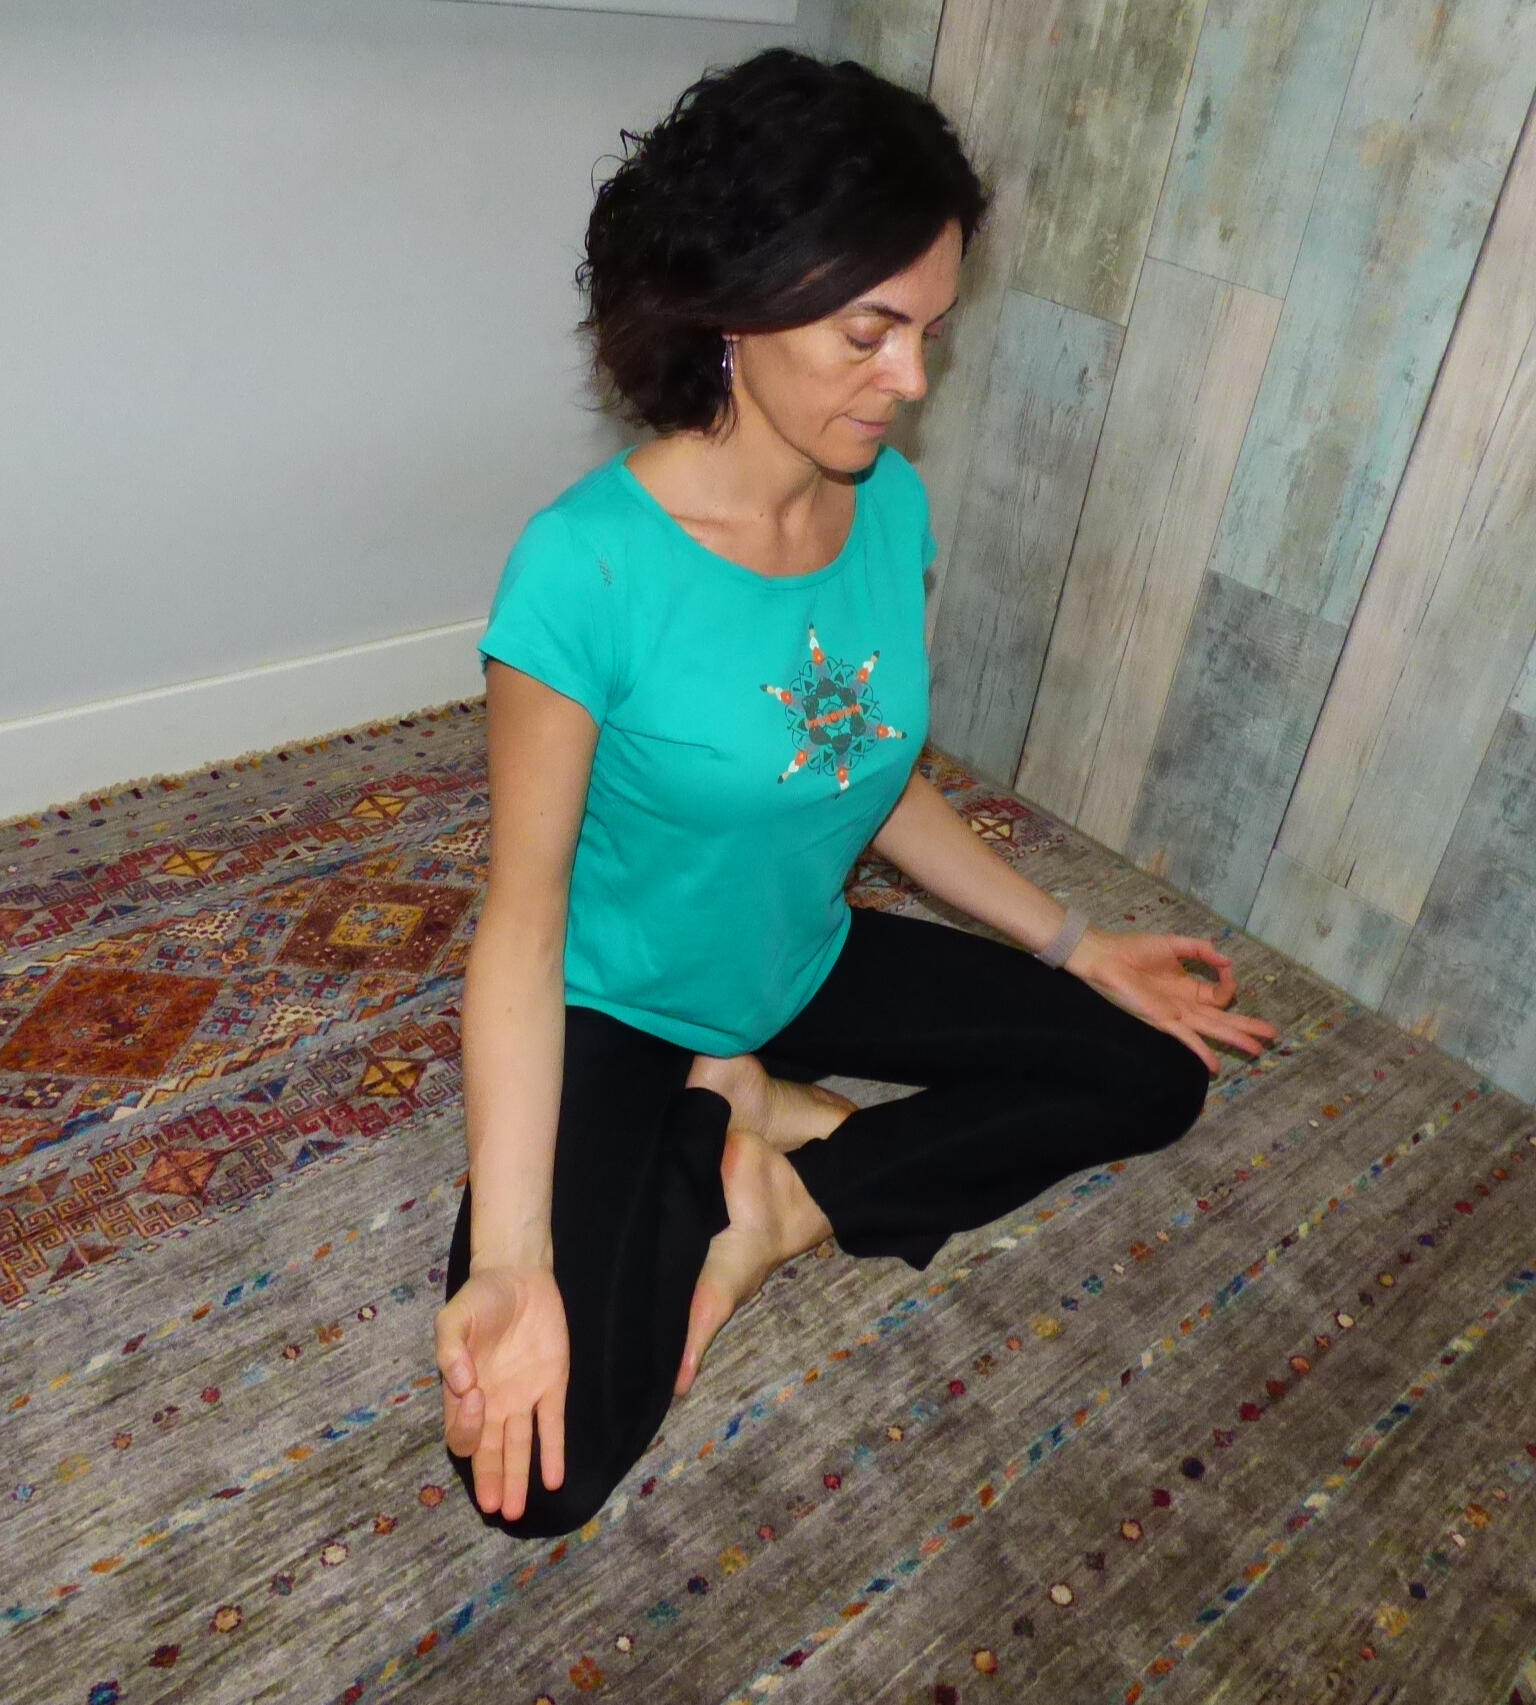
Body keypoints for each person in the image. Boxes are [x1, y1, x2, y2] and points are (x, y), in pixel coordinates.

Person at [433, 47, 1279, 1542]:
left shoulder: (887, 503)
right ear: (731, 309)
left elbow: (867, 778)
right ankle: (714, 1101)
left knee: (1154, 1076)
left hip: (799, 954)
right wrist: (511, 1256)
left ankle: (785, 1190)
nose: (913, 381)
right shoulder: (583, 571)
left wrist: (1079, 944)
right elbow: (524, 915)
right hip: (623, 997)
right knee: (541, 1475)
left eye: (930, 331)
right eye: (869, 331)